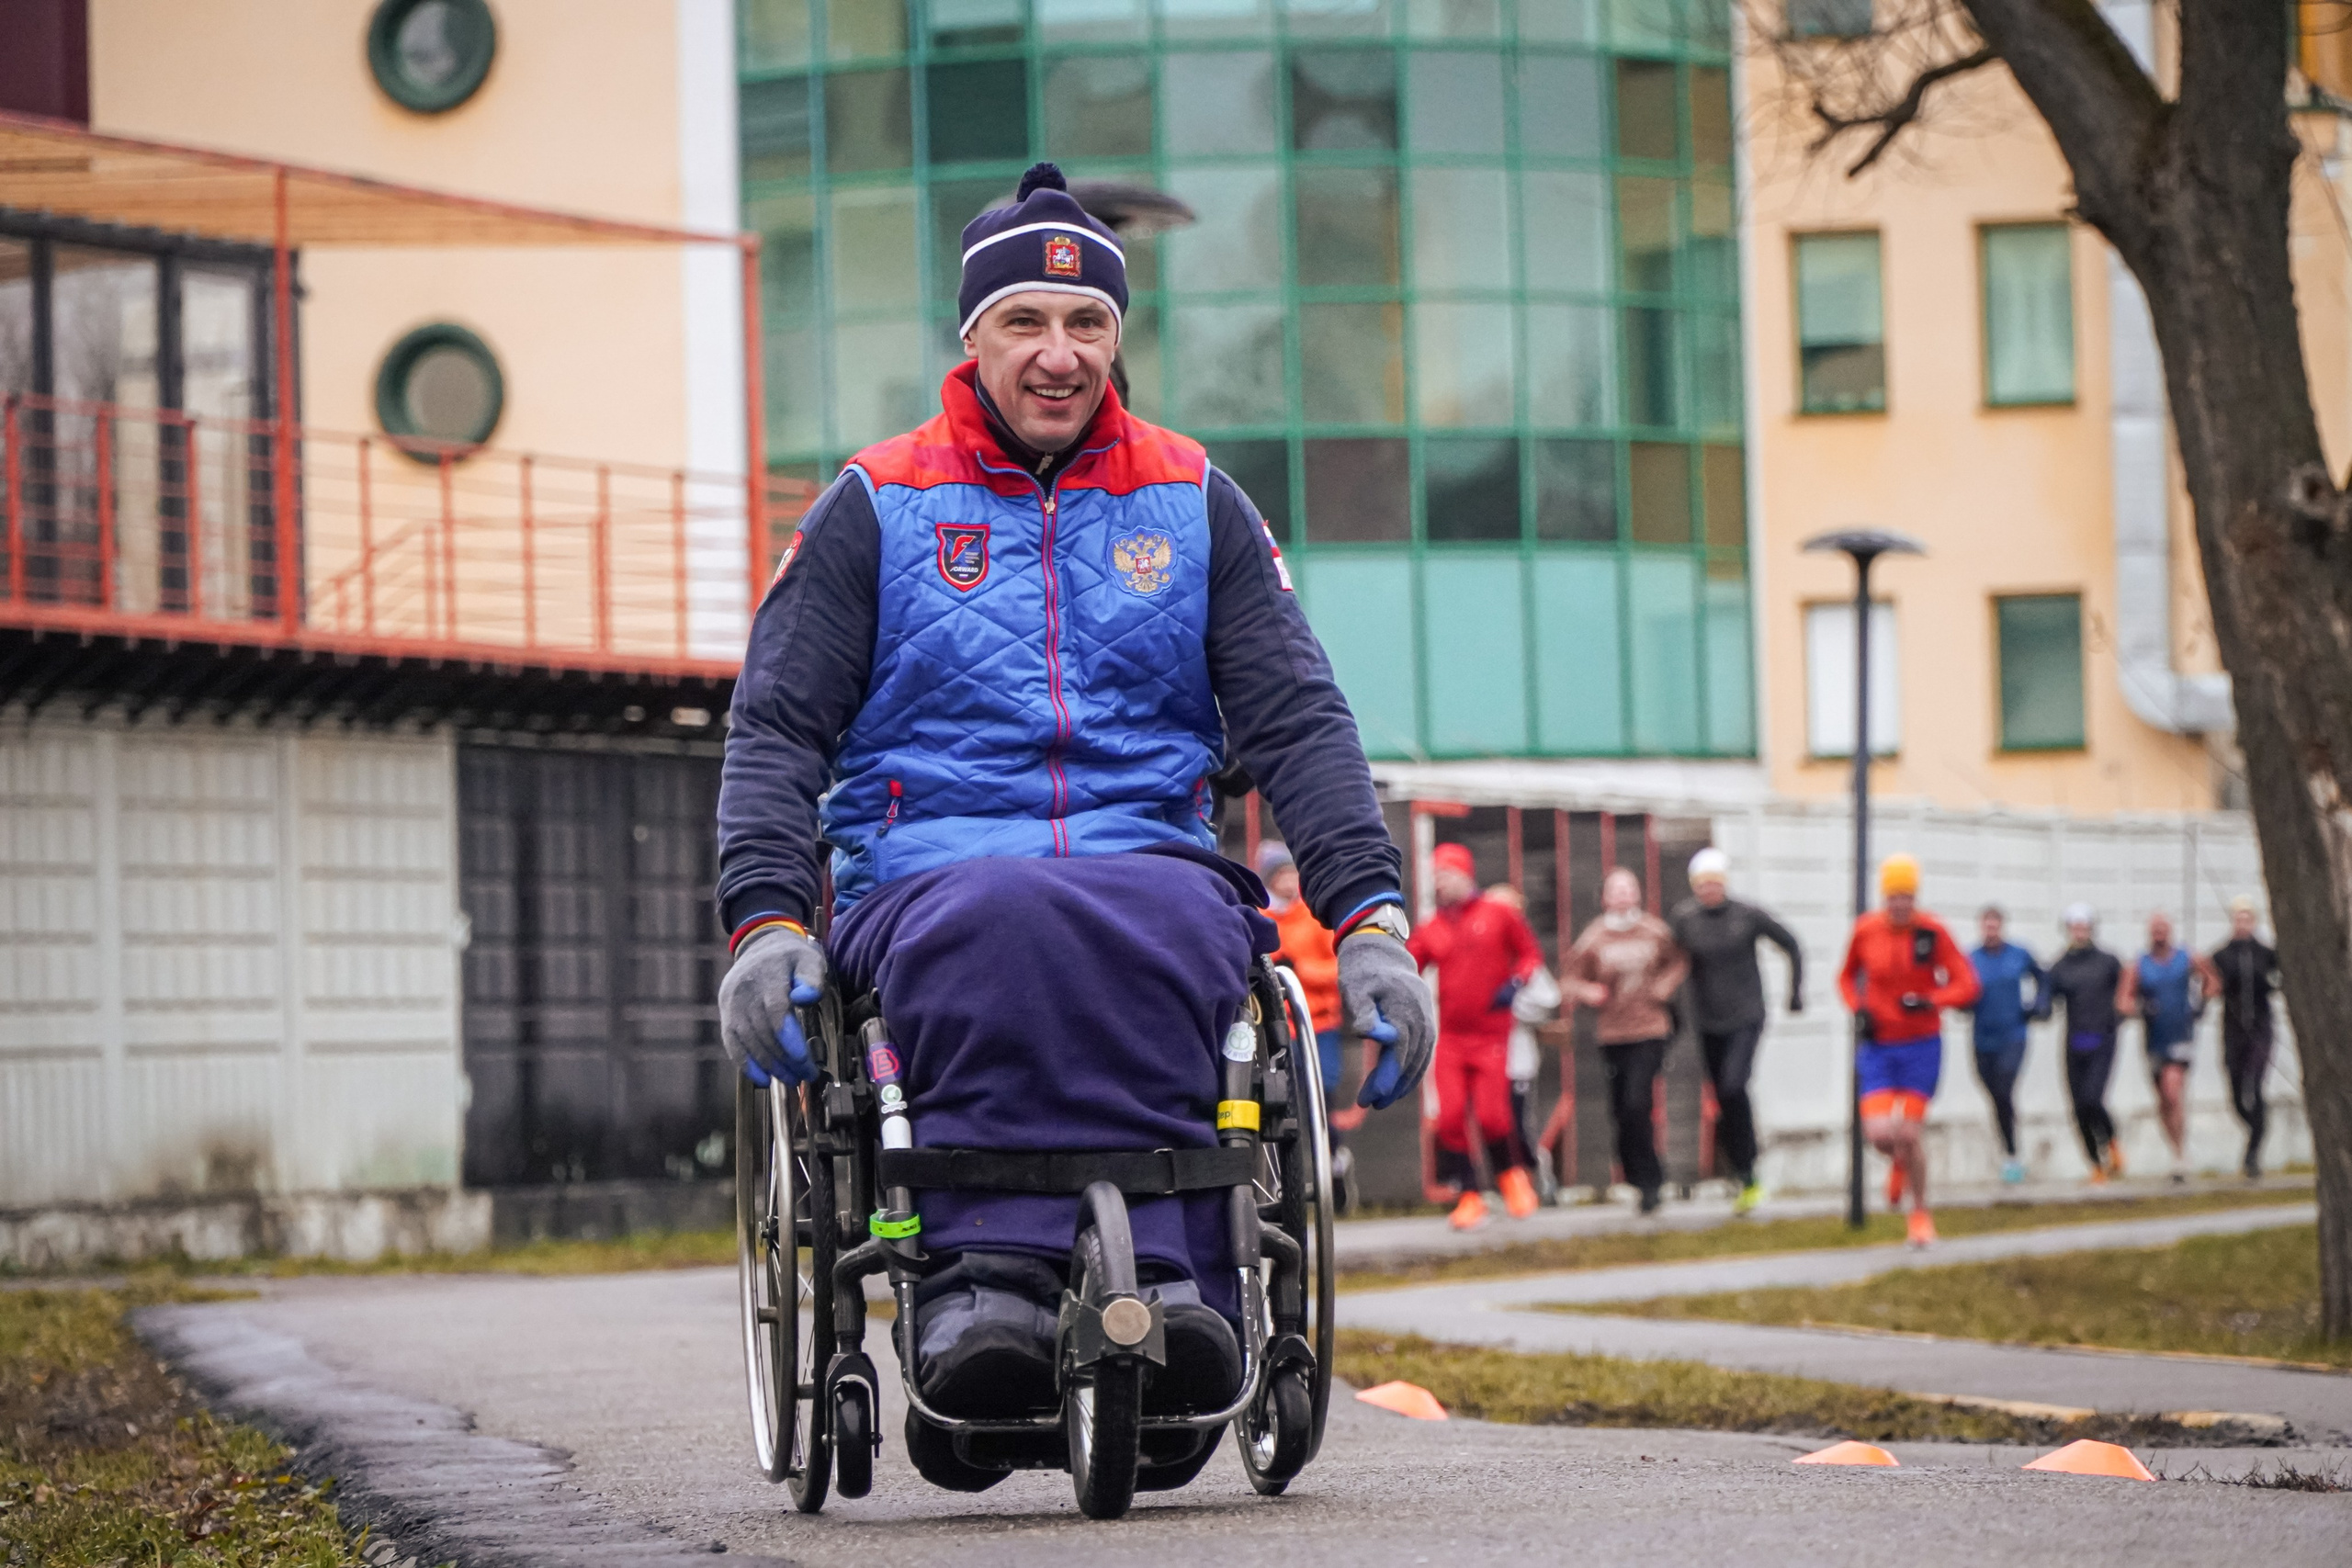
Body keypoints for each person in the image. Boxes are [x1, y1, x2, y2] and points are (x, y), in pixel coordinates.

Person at [711, 163, 1435, 1482]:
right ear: (972, 335)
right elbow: (775, 728)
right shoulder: (874, 505)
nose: (1059, 354)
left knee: (1189, 924)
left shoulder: (1196, 498)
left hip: (1149, 853)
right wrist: (764, 921)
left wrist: (1373, 919)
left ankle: (1183, 1285)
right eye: (1025, 324)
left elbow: (1299, 721)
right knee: (993, 915)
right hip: (929, 868)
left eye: (1087, 322)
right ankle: (977, 1283)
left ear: (1118, 334)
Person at [1836, 853, 1980, 1248]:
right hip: (1879, 1045)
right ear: (1884, 897)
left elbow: (1967, 983)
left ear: (1915, 897)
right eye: (1893, 897)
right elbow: (1846, 977)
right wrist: (1858, 1008)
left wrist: (1933, 999)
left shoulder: (1932, 931)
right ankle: (1897, 1161)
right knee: (1881, 1134)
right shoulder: (1866, 930)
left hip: (1921, 1045)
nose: (1900, 905)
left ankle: (1920, 1214)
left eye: (1907, 897)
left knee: (1909, 1133)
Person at [1408, 844, 1545, 1229]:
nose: (1441, 883)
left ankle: (1511, 1178)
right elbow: (1410, 962)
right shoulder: (1432, 926)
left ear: (1465, 875)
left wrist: (1516, 982)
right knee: (1450, 1116)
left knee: (1493, 1117)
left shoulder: (1498, 913)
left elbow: (1530, 955)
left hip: (1491, 1035)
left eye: (1446, 875)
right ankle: (1469, 1195)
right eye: (1436, 877)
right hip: (1451, 1036)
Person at [1667, 847, 1804, 1215]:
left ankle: (1748, 1166)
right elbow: (1670, 964)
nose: (1709, 890)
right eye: (1702, 885)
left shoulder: (1746, 916)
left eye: (1715, 883)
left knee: (1733, 1084)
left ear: (1724, 884)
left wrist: (1795, 994)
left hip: (1746, 1015)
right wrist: (1670, 1010)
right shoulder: (1685, 920)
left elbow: (1790, 943)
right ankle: (1744, 1173)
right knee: (1723, 1097)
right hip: (1708, 1020)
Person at [1566, 867, 1690, 1216]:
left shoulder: (1654, 930)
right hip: (1612, 1033)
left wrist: (1663, 987)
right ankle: (1635, 1174)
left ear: (1637, 894)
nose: (1622, 895)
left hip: (1650, 1028)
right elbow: (1570, 979)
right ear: (1605, 897)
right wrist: (1588, 991)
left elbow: (1678, 961)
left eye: (1628, 889)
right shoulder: (1594, 937)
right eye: (1615, 890)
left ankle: (1652, 1181)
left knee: (1638, 1102)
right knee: (1621, 1110)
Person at [2119, 911, 2220, 1182]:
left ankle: (2180, 1154)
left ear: (2170, 931)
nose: (2159, 935)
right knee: (2163, 1101)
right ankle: (2176, 1150)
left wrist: (2201, 1003)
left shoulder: (2186, 957)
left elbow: (2212, 981)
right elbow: (2123, 1000)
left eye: (2163, 929)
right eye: (2155, 930)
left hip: (2181, 1034)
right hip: (2154, 1038)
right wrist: (2139, 1009)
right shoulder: (2139, 964)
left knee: (2172, 1090)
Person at [1486, 883, 1564, 1199]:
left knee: (1516, 1122)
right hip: (1480, 1054)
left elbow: (1548, 1000)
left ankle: (1536, 1174)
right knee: (1488, 1123)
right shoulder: (1476, 950)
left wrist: (1510, 1006)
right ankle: (1503, 1183)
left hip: (1516, 1056)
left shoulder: (1523, 954)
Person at [2041, 905, 2127, 1182]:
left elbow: (2128, 989)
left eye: (2083, 926)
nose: (2079, 932)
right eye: (2074, 927)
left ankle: (2112, 1144)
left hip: (2103, 1037)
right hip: (2075, 1040)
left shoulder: (2108, 961)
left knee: (2093, 1098)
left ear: (2091, 928)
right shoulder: (2060, 965)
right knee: (2078, 1106)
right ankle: (2095, 1164)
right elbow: (2047, 1000)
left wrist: (2127, 1010)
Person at [1966, 905, 2043, 1185]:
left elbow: (2042, 978)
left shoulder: (2018, 955)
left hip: (2013, 1035)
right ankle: (2009, 1148)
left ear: (2002, 927)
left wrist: (2037, 1006)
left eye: (1995, 925)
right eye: (1986, 925)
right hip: (1982, 1037)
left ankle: (2012, 1155)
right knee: (1995, 1095)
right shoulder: (1972, 958)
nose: (1991, 930)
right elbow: (1960, 987)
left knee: (2004, 1086)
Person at [2209, 896, 2280, 1179]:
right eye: (2238, 919)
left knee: (2255, 1083)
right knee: (2237, 1092)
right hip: (2233, 1029)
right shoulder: (2222, 955)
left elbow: (2277, 981)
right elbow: (2210, 985)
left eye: (2247, 919)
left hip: (2260, 1028)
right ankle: (2255, 1127)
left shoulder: (2266, 953)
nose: (2242, 924)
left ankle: (2253, 1153)